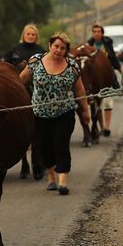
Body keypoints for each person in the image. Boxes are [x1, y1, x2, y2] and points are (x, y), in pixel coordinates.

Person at [19, 32, 90, 196]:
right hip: (40, 114)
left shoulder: (72, 65)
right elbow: (20, 80)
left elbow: (79, 89)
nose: (58, 50)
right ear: (50, 45)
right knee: (44, 147)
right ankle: (51, 177)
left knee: (61, 144)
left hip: (64, 112)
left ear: (66, 50)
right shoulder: (35, 61)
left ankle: (62, 181)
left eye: (63, 48)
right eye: (56, 46)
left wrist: (85, 111)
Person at [4, 24, 47, 179]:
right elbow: (4, 67)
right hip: (17, 89)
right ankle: (24, 163)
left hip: (37, 91)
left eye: (33, 34)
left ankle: (38, 164)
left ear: (36, 36)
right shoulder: (14, 51)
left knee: (37, 130)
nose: (30, 36)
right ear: (23, 35)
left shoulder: (42, 51)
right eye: (28, 34)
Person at [87, 23, 122, 137]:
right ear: (92, 33)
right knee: (96, 102)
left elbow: (113, 57)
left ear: (102, 33)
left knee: (107, 101)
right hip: (94, 77)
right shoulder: (89, 44)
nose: (97, 33)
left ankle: (107, 127)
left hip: (107, 74)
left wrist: (121, 71)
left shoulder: (107, 42)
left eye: (99, 31)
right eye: (95, 31)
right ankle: (101, 127)